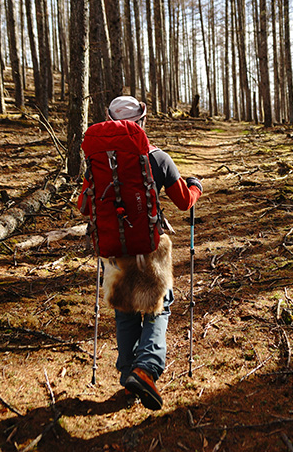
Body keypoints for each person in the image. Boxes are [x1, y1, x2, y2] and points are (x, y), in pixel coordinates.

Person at [79, 95, 202, 411]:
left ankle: (126, 372)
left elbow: (84, 206)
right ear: (142, 123)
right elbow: (184, 201)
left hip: (114, 249)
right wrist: (196, 186)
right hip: (151, 247)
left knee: (125, 307)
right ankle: (145, 370)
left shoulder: (97, 163)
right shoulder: (157, 158)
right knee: (158, 306)